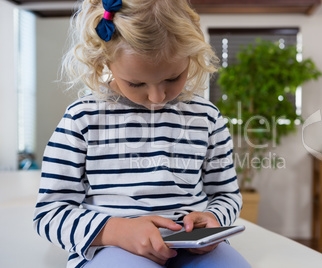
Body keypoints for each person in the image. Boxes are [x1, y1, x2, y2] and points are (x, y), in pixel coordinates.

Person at [33, 0, 250, 267]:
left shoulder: (207, 117)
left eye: (173, 78)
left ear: (191, 57)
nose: (157, 97)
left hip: (193, 249)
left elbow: (225, 194)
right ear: (104, 62)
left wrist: (215, 218)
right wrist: (116, 231)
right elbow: (49, 214)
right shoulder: (82, 119)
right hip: (113, 248)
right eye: (136, 83)